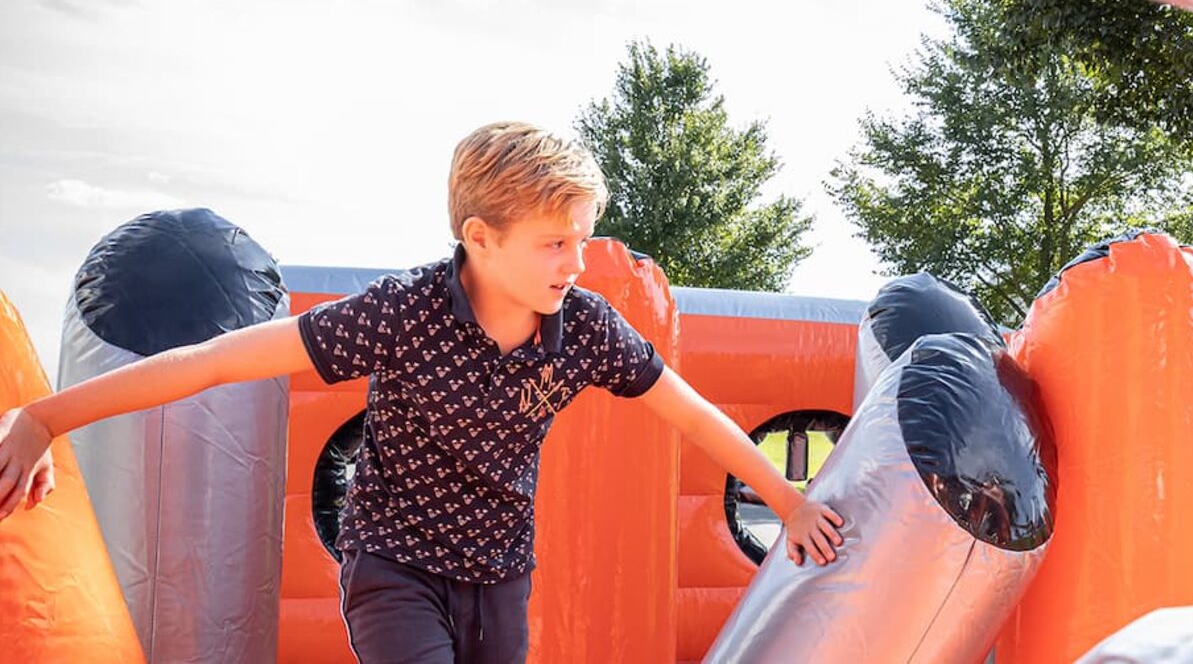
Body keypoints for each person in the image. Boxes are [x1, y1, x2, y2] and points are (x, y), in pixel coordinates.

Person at [0, 121, 845, 663]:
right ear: (481, 237)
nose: (577, 263)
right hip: (394, 567)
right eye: (555, 243)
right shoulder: (401, 314)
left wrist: (787, 501)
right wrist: (43, 418)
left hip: (499, 576)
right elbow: (216, 363)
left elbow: (689, 411)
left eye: (583, 241)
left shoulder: (584, 328)